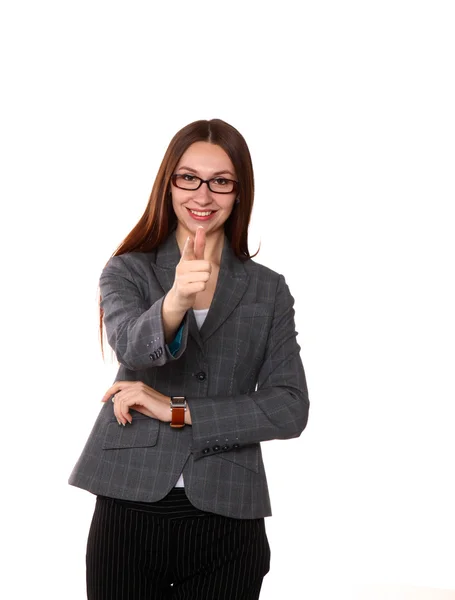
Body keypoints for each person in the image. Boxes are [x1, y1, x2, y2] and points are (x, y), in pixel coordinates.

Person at [69, 118, 310, 600]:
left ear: (240, 191)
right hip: (129, 501)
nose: (203, 195)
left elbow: (290, 407)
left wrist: (177, 410)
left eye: (221, 181)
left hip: (229, 509)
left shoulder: (268, 288)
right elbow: (131, 348)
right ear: (169, 184)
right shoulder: (127, 270)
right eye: (188, 178)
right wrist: (177, 298)